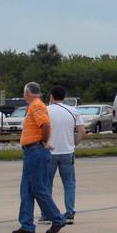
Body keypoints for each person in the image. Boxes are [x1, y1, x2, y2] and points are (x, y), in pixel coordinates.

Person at [13, 82, 66, 233]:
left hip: (35, 151)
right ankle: (27, 224)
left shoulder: (36, 105)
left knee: (38, 188)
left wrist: (43, 142)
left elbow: (45, 125)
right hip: (32, 151)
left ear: (26, 93)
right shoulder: (35, 105)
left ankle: (57, 218)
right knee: (27, 190)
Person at [43, 86, 84, 225]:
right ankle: (69, 212)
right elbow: (82, 131)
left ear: (51, 96)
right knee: (69, 183)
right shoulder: (73, 111)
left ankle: (47, 213)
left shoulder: (46, 110)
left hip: (49, 151)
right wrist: (73, 144)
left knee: (47, 184)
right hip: (67, 151)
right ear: (64, 97)